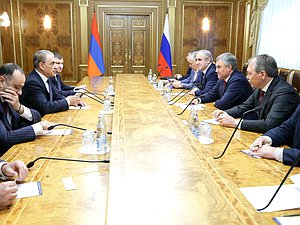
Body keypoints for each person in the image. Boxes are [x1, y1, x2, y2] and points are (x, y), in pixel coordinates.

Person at [212, 54, 299, 133]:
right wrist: (224, 113)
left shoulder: (285, 93)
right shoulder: (260, 86)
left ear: (262, 74)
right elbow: (244, 107)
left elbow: (270, 124)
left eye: (250, 73)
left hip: (281, 143)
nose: (247, 77)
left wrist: (235, 123)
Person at [0, 63, 52, 155]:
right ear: (1, 81)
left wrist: (19, 108)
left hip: (15, 151)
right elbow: (5, 138)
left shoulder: (11, 99)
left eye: (21, 88)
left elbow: (37, 116)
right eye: (17, 87)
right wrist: (38, 127)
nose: (20, 93)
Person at [20, 50, 85, 117]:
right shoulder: (33, 82)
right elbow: (44, 107)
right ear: (42, 66)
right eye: (52, 63)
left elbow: (57, 95)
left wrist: (74, 100)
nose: (56, 67)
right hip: (37, 121)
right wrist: (68, 101)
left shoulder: (47, 77)